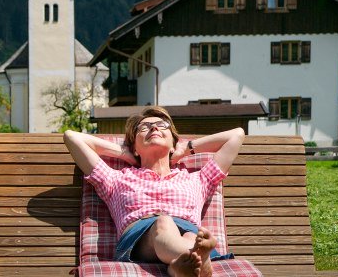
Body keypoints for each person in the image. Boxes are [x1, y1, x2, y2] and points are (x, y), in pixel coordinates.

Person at [63, 106, 245, 277]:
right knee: (163, 223)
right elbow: (72, 137)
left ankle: (180, 267)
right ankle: (200, 260)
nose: (154, 128)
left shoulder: (197, 179)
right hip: (139, 239)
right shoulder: (116, 179)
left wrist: (186, 148)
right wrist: (123, 153)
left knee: (192, 236)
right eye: (144, 127)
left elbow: (237, 135)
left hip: (189, 231)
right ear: (134, 146)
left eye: (161, 125)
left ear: (174, 144)